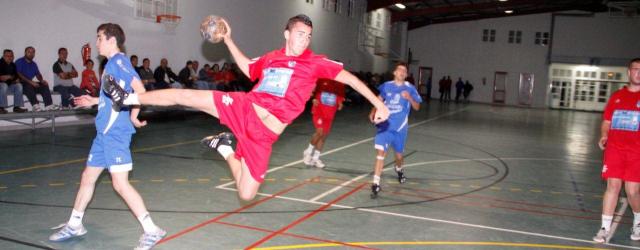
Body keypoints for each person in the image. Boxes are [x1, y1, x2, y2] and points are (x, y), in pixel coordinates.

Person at [103, 14, 389, 201]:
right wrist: (228, 38)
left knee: (247, 194)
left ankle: (226, 147)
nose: (305, 39)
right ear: (287, 33)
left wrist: (379, 103)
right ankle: (127, 98)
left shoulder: (315, 62)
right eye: (301, 33)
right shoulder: (272, 58)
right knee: (189, 96)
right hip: (246, 107)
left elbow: (349, 77)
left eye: (309, 36)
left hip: (264, 135)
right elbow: (249, 67)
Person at [48, 23, 165, 249]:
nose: (97, 42)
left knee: (120, 185)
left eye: (100, 38)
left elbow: (140, 92)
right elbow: (115, 97)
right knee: (87, 178)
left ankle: (153, 230)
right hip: (103, 134)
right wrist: (94, 100)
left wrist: (132, 117)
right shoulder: (111, 65)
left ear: (112, 40)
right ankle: (75, 224)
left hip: (116, 133)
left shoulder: (119, 62)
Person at [593, 58, 640, 243]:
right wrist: (604, 135)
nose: (638, 73)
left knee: (632, 191)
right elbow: (606, 122)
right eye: (635, 69)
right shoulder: (617, 96)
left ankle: (638, 221)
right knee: (612, 186)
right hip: (615, 149)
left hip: (636, 152)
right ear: (629, 72)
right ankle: (604, 228)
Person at [369, 62, 422, 198]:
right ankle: (376, 183)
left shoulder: (410, 88)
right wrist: (373, 110)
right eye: (400, 70)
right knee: (381, 153)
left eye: (404, 71)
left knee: (399, 156)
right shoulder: (386, 86)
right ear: (395, 72)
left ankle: (399, 169)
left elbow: (417, 107)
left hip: (400, 128)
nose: (402, 72)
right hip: (385, 125)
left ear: (406, 75)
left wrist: (409, 98)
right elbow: (378, 99)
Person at [302, 78, 345, 168]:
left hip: (330, 114)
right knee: (319, 132)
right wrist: (313, 99)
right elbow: (311, 90)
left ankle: (315, 158)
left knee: (323, 137)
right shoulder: (321, 80)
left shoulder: (340, 84)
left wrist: (340, 103)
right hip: (319, 111)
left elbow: (340, 97)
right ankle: (308, 151)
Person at [15, 46, 58, 111]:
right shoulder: (19, 61)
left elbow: (38, 74)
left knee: (44, 85)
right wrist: (31, 82)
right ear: (25, 53)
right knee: (28, 85)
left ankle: (48, 105)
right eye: (29, 52)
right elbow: (19, 74)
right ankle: (35, 106)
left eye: (33, 52)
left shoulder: (34, 64)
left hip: (30, 85)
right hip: (21, 84)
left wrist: (41, 80)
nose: (31, 54)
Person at [0, 49, 27, 113]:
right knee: (4, 85)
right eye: (7, 56)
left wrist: (15, 79)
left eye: (11, 56)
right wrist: (9, 77)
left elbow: (15, 78)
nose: (9, 57)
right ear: (3, 56)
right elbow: (2, 78)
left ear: (13, 57)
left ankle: (16, 107)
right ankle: (1, 108)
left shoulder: (13, 65)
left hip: (7, 87)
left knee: (19, 85)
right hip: (2, 86)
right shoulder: (0, 63)